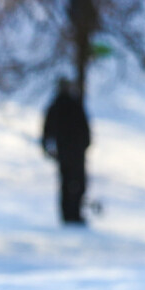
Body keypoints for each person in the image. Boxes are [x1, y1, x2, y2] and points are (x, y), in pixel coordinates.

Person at [41, 78, 91, 225]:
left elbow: (46, 130)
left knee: (67, 183)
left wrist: (47, 147)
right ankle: (72, 214)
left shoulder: (57, 105)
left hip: (66, 152)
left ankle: (69, 215)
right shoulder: (73, 104)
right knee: (77, 183)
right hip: (74, 152)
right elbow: (84, 128)